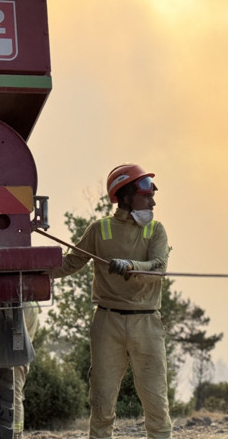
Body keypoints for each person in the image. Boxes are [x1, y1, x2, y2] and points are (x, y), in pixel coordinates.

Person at [51, 163, 171, 439]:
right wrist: (31, 273)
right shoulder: (99, 230)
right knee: (102, 403)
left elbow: (159, 267)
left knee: (156, 402)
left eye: (152, 194)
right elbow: (71, 263)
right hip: (107, 323)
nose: (153, 200)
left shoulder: (155, 230)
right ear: (125, 195)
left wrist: (129, 264)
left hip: (147, 323)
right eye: (147, 194)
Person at [13, 303, 40, 439]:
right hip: (22, 356)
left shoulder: (24, 305)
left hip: (16, 356)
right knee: (16, 396)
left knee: (14, 397)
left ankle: (16, 434)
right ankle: (17, 433)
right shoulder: (33, 305)